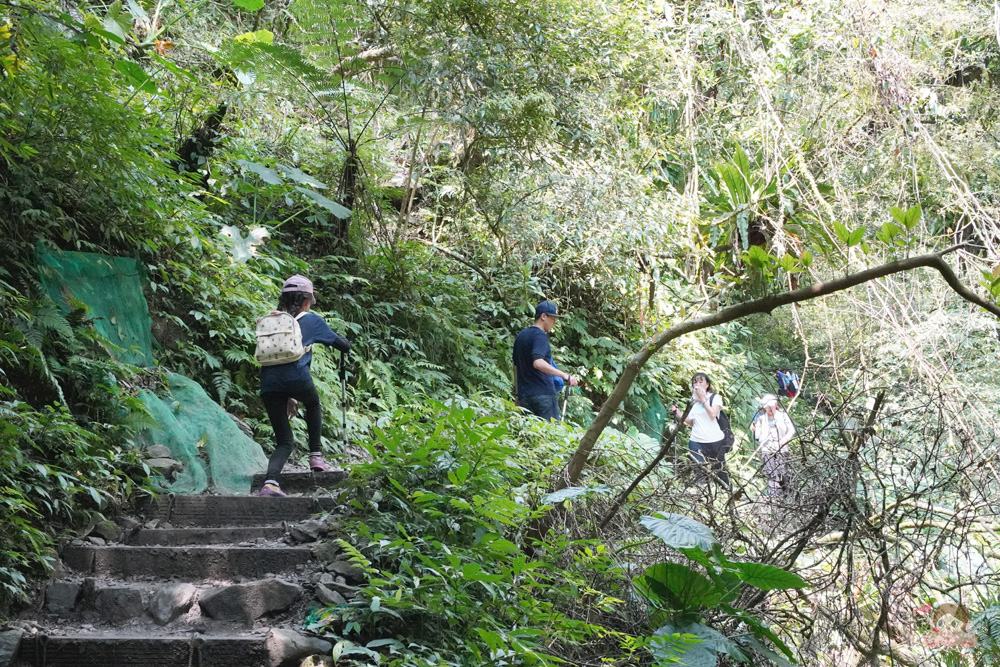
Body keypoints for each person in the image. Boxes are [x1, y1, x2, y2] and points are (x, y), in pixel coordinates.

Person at [258, 275, 351, 497]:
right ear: (307, 301)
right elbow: (343, 346)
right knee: (313, 403)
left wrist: (289, 395)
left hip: (269, 383)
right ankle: (316, 456)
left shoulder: (273, 322)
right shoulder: (311, 321)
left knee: (284, 441)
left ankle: (270, 483)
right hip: (297, 378)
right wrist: (345, 343)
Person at [512, 301, 579, 421]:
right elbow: (538, 362)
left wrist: (518, 394)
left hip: (525, 397)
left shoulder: (521, 336)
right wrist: (564, 375)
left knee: (529, 436)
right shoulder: (540, 336)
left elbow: (516, 367)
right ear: (543, 316)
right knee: (549, 435)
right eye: (553, 318)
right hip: (543, 395)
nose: (554, 322)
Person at [671, 372, 729, 487]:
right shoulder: (693, 402)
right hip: (696, 440)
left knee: (720, 470)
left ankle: (727, 492)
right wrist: (678, 413)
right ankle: (701, 497)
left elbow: (713, 414)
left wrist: (703, 399)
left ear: (707, 384)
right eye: (695, 382)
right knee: (699, 470)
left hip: (715, 440)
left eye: (700, 382)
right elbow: (691, 422)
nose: (697, 385)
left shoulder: (714, 398)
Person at [750, 394, 795, 496]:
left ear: (776, 405)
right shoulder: (761, 419)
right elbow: (758, 436)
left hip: (781, 449)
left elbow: (791, 430)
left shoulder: (783, 416)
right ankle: (773, 496)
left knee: (781, 472)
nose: (769, 409)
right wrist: (754, 429)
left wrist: (786, 438)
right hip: (767, 449)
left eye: (771, 406)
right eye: (767, 406)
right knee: (771, 473)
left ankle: (785, 492)